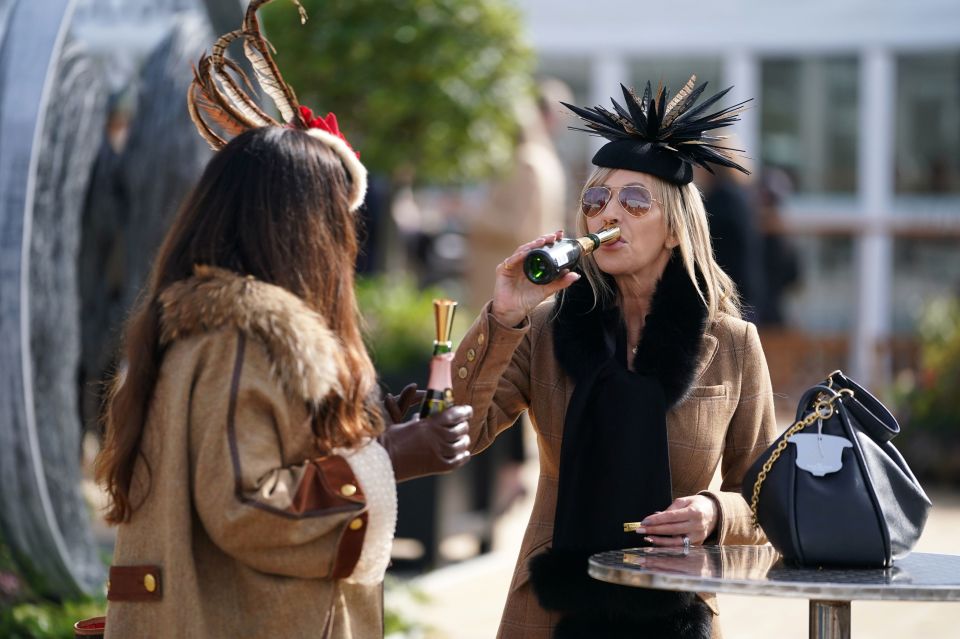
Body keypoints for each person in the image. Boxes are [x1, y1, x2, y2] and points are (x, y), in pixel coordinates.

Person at [91, 3, 471, 637]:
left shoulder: (213, 329)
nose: (346, 240)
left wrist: (370, 440)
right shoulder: (243, 339)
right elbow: (244, 505)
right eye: (336, 219)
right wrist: (389, 462)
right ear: (301, 229)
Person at [450, 77, 778, 638]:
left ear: (675, 228)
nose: (608, 215)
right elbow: (461, 430)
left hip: (676, 612)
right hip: (555, 612)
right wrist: (505, 316)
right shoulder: (547, 327)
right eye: (597, 199)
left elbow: (769, 501)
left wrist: (715, 514)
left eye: (634, 200)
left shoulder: (731, 345)